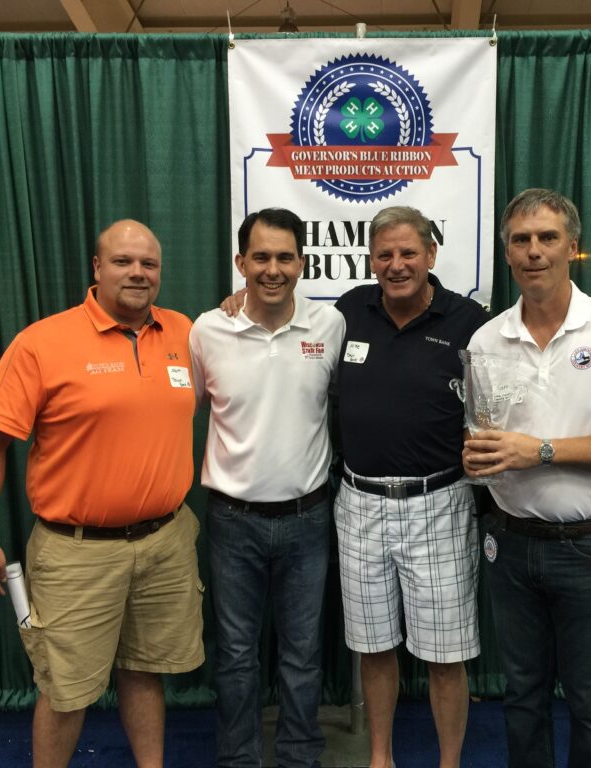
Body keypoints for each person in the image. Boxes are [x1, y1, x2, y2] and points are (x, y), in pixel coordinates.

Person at [0, 219, 205, 768]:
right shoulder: (42, 343)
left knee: (145, 669)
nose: (138, 273)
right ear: (97, 269)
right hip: (75, 551)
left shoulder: (186, 333)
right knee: (66, 689)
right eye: (123, 262)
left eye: (149, 264)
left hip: (166, 541)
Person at [463, 188, 591, 768]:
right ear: (506, 253)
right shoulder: (486, 340)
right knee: (521, 699)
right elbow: (487, 434)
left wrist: (543, 450)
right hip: (510, 543)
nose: (534, 252)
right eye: (521, 240)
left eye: (547, 238)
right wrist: (478, 457)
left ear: (572, 248)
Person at [333, 206, 488, 768]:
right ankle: (381, 758)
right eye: (384, 255)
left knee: (446, 655)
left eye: (408, 253)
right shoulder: (348, 312)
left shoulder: (469, 321)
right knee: (373, 647)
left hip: (439, 503)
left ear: (431, 255)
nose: (396, 265)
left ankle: (449, 763)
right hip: (359, 502)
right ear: (370, 259)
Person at [191, 208, 345, 768]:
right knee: (234, 655)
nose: (273, 269)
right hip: (233, 520)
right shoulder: (207, 330)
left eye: (285, 257)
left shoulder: (330, 326)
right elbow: (176, 411)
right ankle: (239, 758)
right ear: (240, 263)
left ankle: (300, 756)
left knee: (302, 655)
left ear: (303, 262)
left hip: (309, 518)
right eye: (261, 257)